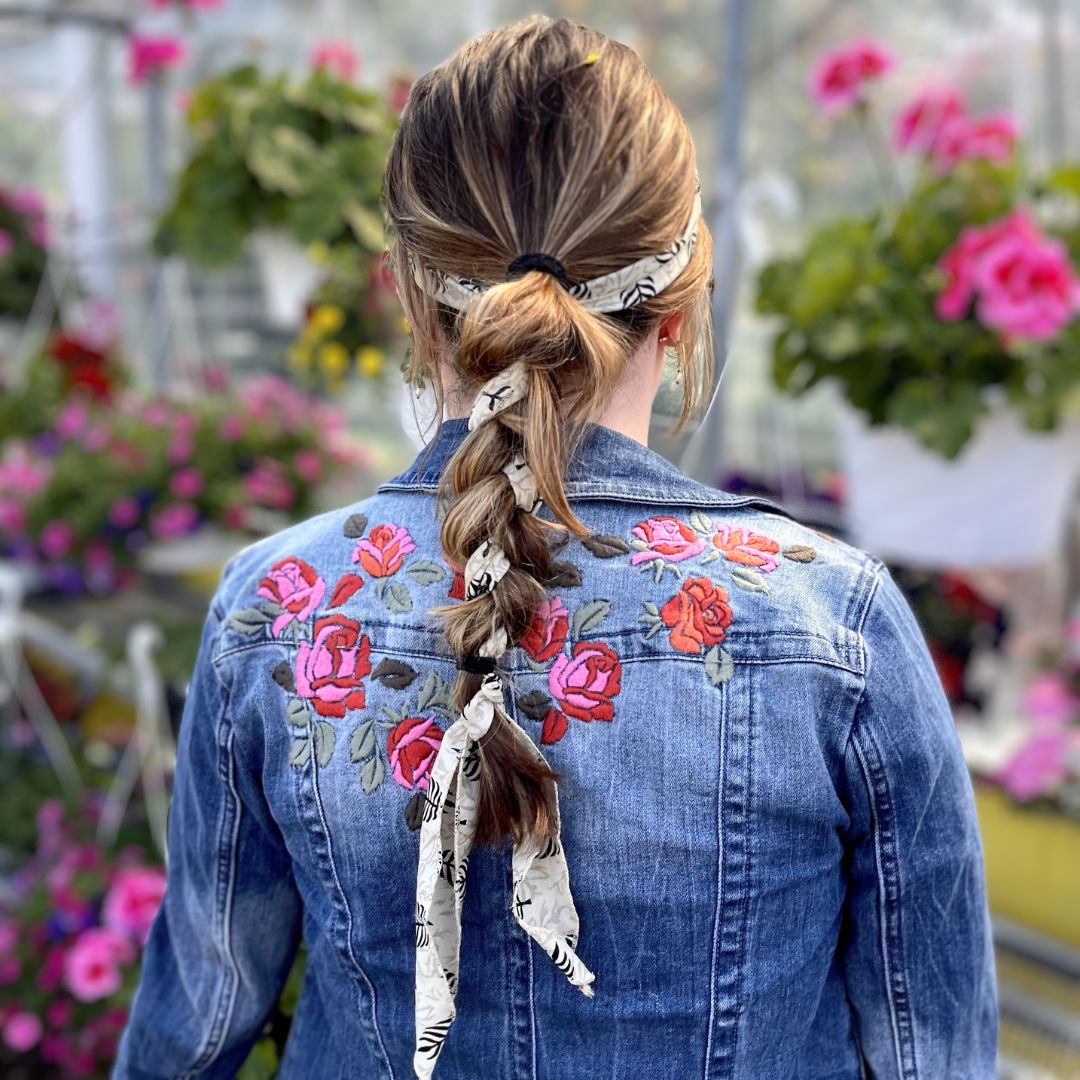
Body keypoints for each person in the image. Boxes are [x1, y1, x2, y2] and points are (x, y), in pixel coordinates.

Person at [114, 15, 997, 1080]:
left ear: (410, 295)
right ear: (680, 307)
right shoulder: (832, 622)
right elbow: (932, 1054)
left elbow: (192, 1035)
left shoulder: (277, 609)